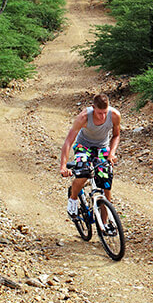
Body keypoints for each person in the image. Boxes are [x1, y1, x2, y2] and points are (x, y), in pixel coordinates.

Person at [60, 94, 122, 224]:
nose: (103, 117)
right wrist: (63, 166)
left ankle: (104, 224)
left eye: (105, 113)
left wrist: (112, 153)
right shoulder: (84, 117)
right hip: (84, 146)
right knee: (84, 173)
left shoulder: (115, 115)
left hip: (102, 147)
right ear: (93, 108)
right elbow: (68, 141)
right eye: (99, 113)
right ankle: (73, 199)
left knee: (106, 185)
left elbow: (116, 135)